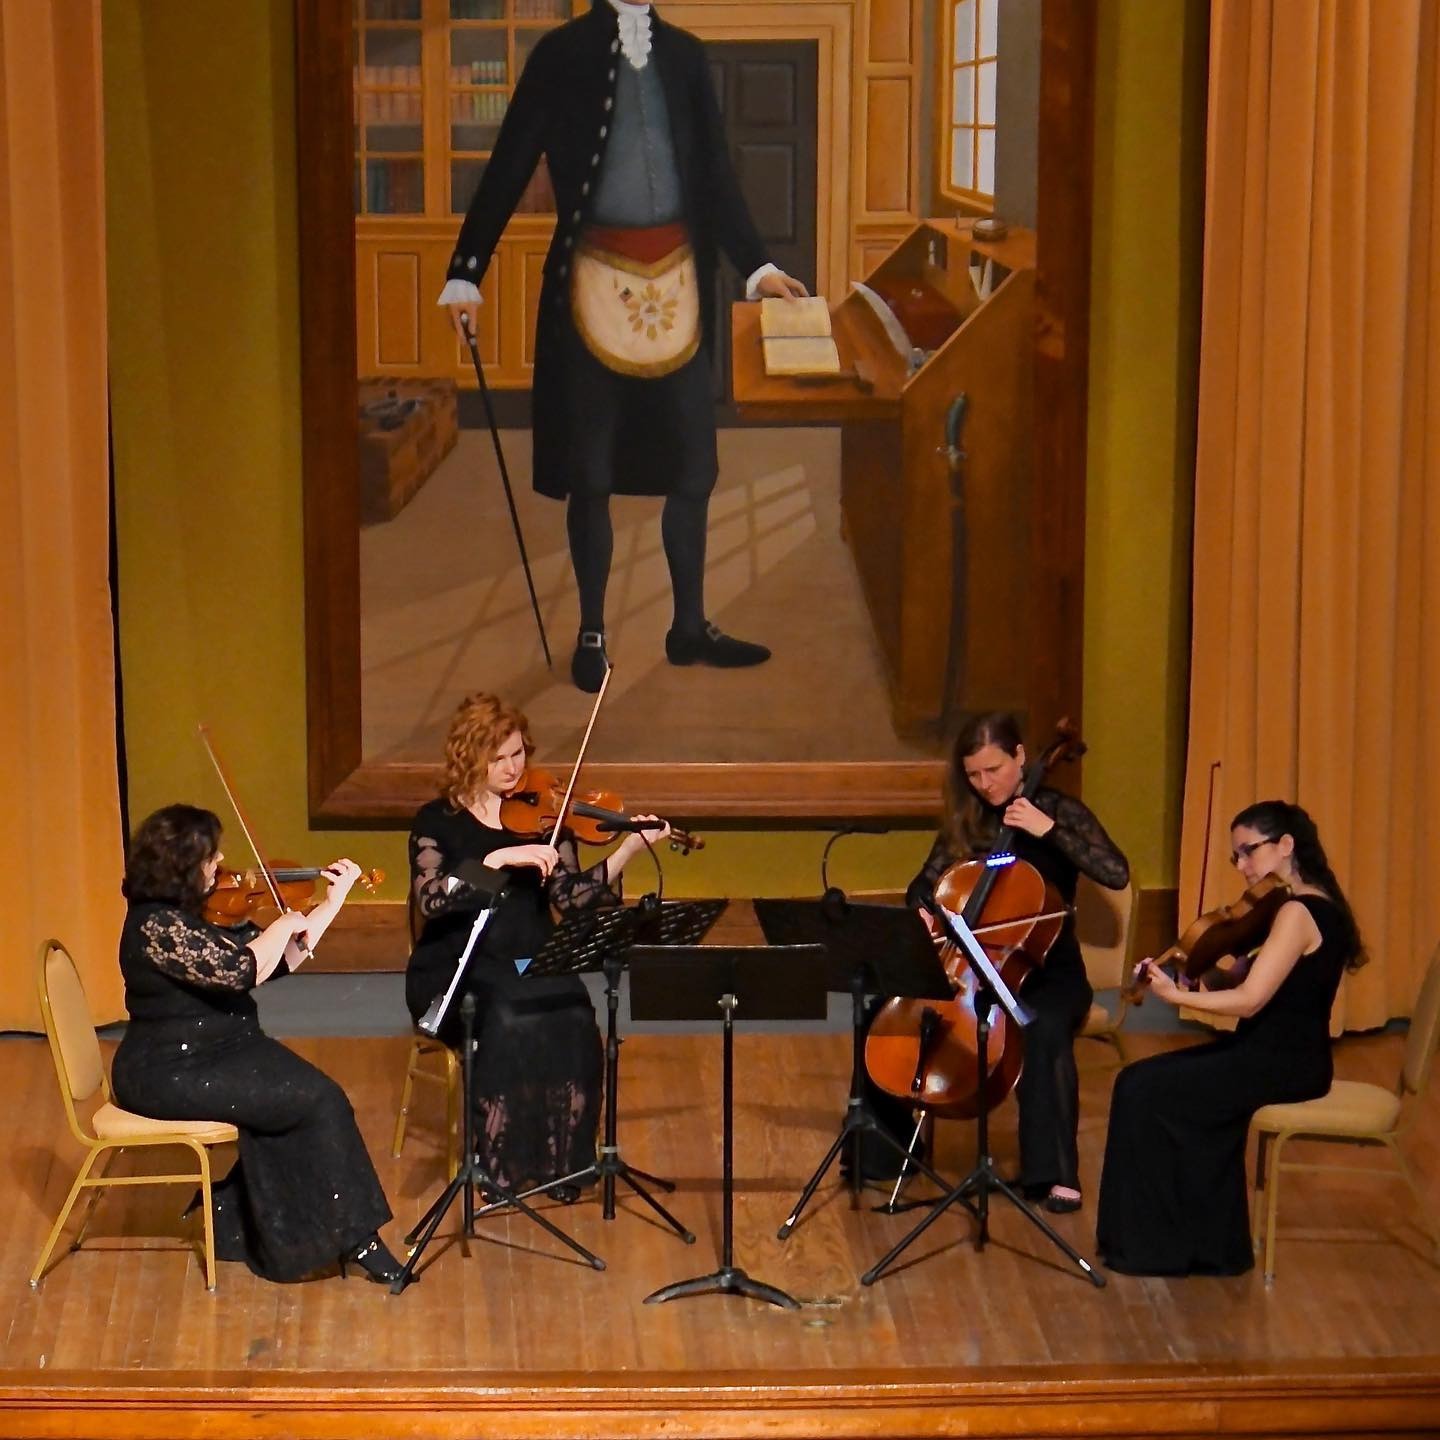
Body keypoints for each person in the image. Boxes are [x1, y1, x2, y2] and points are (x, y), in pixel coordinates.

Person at [438, 0, 808, 694]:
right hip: (590, 284)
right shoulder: (560, 52)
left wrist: (757, 266)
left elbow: (715, 173)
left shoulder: (688, 56)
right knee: (593, 472)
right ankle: (592, 631)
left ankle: (689, 626)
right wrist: (466, 271)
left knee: (694, 469)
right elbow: (512, 156)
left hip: (679, 287)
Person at [111, 805, 400, 1284]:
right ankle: (355, 1239)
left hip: (222, 1047)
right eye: (210, 856)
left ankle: (239, 1220)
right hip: (168, 1069)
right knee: (317, 1101)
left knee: (310, 1095)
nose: (222, 861)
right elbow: (240, 969)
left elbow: (271, 965)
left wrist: (330, 904)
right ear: (182, 865)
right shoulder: (156, 927)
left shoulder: (184, 915)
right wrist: (281, 926)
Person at [405, 691, 669, 1194]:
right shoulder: (436, 820)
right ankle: (501, 1163)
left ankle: (562, 1163)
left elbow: (570, 899)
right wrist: (498, 863)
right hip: (458, 962)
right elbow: (431, 899)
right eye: (497, 757)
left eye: (518, 753)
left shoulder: (546, 816)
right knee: (507, 1015)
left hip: (527, 955)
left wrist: (628, 849)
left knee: (572, 1008)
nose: (511, 768)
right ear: (469, 757)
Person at [1095, 800, 1364, 1276]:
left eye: (1247, 852)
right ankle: (1199, 1244)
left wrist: (1173, 998)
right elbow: (1255, 987)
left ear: (1285, 846)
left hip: (1279, 1063)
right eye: (1235, 857)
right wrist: (1202, 982)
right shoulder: (1312, 905)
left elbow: (1250, 1001)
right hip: (1274, 1054)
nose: (1241, 866)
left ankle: (1162, 1247)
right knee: (1140, 1081)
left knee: (1143, 1089)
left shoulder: (1298, 913)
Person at [899, 712, 1130, 1212]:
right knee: (891, 1005)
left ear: (1021, 756)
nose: (985, 785)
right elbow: (924, 883)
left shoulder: (1059, 811)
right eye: (974, 775)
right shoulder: (971, 818)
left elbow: (1115, 871)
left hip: (1048, 969)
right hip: (977, 969)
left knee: (1044, 1030)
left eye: (995, 770)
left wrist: (1048, 831)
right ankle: (887, 1153)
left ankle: (1053, 1174)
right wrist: (920, 908)